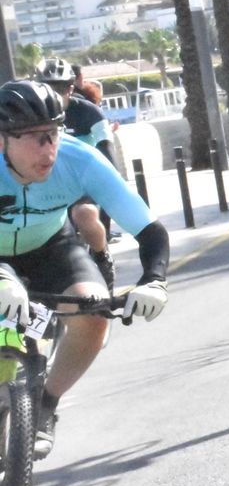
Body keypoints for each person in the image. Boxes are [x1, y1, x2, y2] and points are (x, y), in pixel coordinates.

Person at [0, 81, 170, 458]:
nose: (48, 150)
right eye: (35, 138)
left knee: (93, 313)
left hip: (50, 246)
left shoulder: (78, 159)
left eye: (53, 135)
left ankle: (45, 405)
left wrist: (154, 281)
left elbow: (149, 230)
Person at [36, 58, 118, 283]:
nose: (55, 94)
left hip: (83, 180)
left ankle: (101, 255)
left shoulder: (89, 111)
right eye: (48, 88)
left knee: (84, 214)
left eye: (61, 89)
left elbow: (106, 145)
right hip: (46, 182)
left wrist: (110, 178)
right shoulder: (32, 115)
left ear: (71, 89)